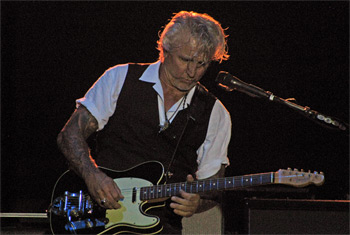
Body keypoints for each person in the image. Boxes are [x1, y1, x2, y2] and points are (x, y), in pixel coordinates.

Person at [57, 10, 231, 234]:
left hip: (162, 227)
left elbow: (213, 188)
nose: (192, 72)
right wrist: (92, 175)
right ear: (164, 49)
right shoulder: (120, 79)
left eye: (202, 64)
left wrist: (198, 203)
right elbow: (69, 135)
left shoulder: (215, 112)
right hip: (98, 220)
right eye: (185, 60)